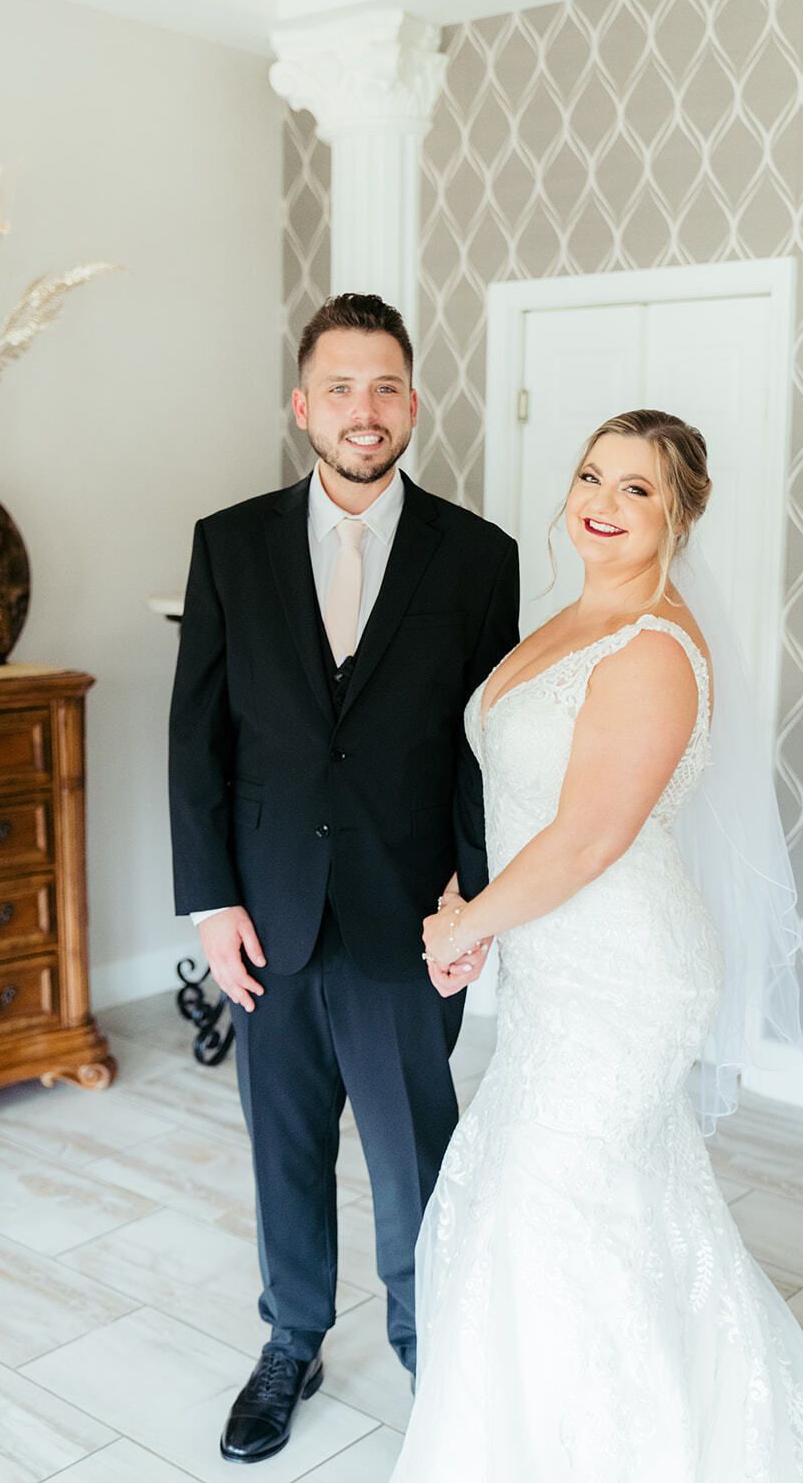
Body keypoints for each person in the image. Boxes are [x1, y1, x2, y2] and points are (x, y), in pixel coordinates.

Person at [392, 409, 803, 1480]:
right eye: (591, 475)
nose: (602, 503)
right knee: (586, 1202)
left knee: (545, 1197)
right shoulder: (555, 621)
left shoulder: (654, 648)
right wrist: (461, 896)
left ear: (679, 515)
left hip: (623, 969)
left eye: (636, 489)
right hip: (548, 962)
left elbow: (586, 838)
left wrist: (466, 923)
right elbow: (509, 797)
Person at [167, 293, 519, 1465]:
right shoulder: (228, 543)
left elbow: (483, 747)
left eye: (383, 388)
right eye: (339, 388)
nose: (361, 411)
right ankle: (292, 1340)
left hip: (409, 918)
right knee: (281, 1143)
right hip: (266, 915)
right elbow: (197, 737)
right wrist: (213, 901)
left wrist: (473, 903)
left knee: (416, 1147)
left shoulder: (478, 557)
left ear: (411, 403)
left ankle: (429, 1339)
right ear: (300, 404)